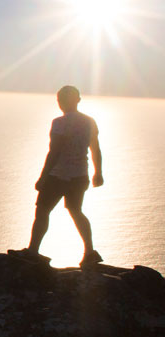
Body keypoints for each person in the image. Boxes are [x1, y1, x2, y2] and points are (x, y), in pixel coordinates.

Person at [22, 85, 104, 266]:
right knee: (76, 211)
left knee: (42, 210)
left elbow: (55, 152)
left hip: (58, 175)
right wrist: (98, 172)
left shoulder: (59, 122)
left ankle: (33, 251)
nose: (60, 103)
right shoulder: (90, 121)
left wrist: (43, 177)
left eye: (60, 100)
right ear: (78, 100)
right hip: (80, 175)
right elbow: (95, 148)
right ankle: (90, 252)